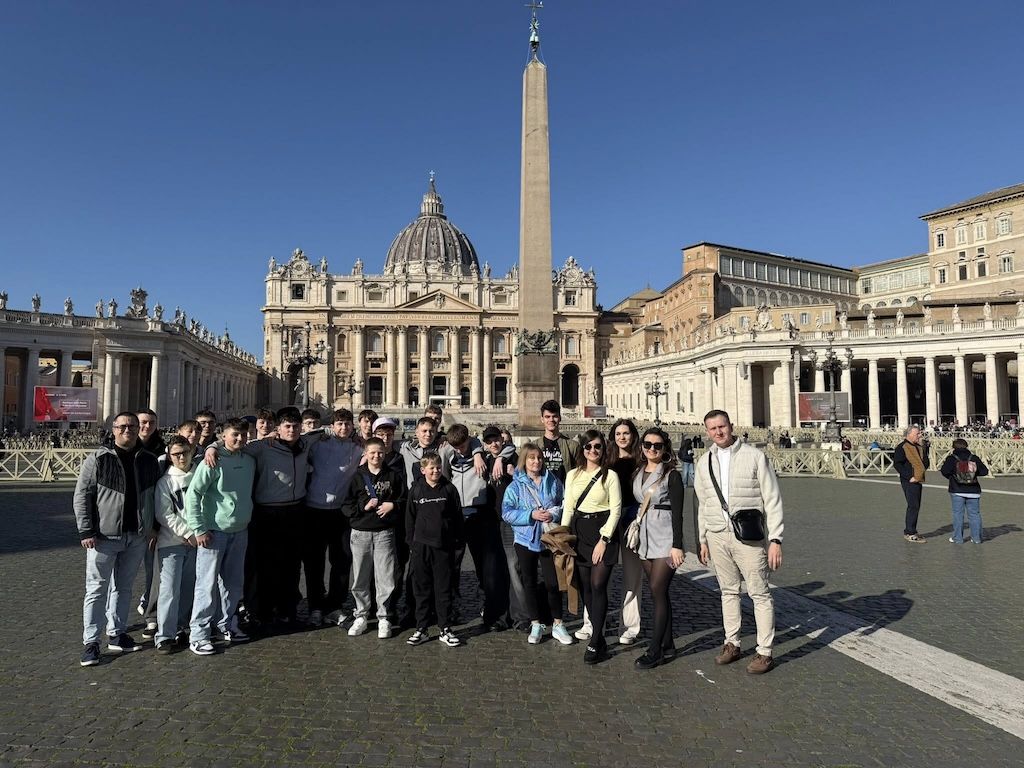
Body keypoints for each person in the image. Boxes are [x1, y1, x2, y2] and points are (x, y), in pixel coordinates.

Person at [695, 409, 783, 675]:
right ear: (707, 432)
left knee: (759, 593)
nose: (718, 432)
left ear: (731, 426)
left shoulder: (755, 456)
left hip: (748, 535)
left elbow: (773, 498)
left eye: (722, 426)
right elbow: (703, 504)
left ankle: (764, 651)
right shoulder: (704, 462)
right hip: (717, 534)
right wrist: (703, 538)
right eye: (712, 429)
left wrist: (776, 538)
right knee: (728, 592)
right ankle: (732, 642)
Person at [74, 412, 161, 666]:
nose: (128, 430)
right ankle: (91, 642)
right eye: (123, 426)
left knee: (124, 588)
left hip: (136, 535)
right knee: (96, 589)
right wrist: (86, 531)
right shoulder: (98, 458)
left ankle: (117, 632)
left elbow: (156, 496)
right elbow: (82, 495)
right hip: (103, 535)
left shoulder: (148, 460)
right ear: (113, 429)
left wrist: (154, 526)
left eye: (132, 426)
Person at [184, 418, 256, 655]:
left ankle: (226, 624)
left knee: (233, 584)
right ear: (223, 436)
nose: (239, 439)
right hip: (213, 532)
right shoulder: (211, 462)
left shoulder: (248, 460)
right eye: (234, 434)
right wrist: (199, 528)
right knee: (206, 585)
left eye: (243, 435)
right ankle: (199, 633)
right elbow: (193, 495)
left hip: (240, 530)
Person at [501, 443, 572, 645]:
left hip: (549, 539)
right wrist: (530, 515)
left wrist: (553, 513)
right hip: (525, 539)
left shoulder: (552, 480)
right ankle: (535, 623)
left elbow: (563, 502)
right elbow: (506, 512)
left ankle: (558, 623)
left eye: (539, 458)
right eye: (532, 458)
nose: (536, 461)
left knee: (553, 582)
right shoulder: (515, 485)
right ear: (524, 460)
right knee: (529, 582)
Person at [561, 429, 621, 664]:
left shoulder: (611, 476)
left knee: (598, 585)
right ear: (582, 449)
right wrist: (563, 534)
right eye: (589, 447)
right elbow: (568, 506)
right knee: (586, 586)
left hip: (602, 532)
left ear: (603, 449)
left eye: (597, 447)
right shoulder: (573, 475)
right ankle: (599, 637)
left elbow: (616, 510)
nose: (593, 451)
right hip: (579, 532)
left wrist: (604, 540)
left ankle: (596, 642)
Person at [631, 428, 686, 669]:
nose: (652, 448)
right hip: (644, 536)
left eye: (657, 445)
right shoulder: (638, 471)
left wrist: (678, 546)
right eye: (647, 444)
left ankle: (655, 650)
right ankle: (669, 645)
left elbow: (678, 514)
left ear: (665, 449)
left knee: (657, 587)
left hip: (665, 538)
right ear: (642, 446)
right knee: (658, 593)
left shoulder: (671, 475)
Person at [447, 423, 510, 631]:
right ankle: (450, 608)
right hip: (456, 517)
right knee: (452, 567)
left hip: (479, 515)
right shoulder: (448, 453)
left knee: (485, 566)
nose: (460, 450)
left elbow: (508, 448)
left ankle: (490, 607)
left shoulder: (482, 454)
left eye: (464, 445)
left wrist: (480, 452)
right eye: (456, 447)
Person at [303, 408, 362, 626]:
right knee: (314, 562)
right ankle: (316, 606)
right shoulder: (317, 443)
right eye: (340, 424)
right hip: (314, 509)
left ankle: (335, 605)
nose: (344, 427)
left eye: (347, 424)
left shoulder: (358, 448)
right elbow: (294, 440)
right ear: (332, 425)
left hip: (341, 513)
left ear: (352, 426)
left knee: (342, 561)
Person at [343, 437, 406, 638]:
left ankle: (384, 617)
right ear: (366, 454)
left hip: (384, 533)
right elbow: (346, 505)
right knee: (361, 577)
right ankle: (361, 614)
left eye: (380, 452)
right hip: (360, 532)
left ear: (385, 453)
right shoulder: (356, 477)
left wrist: (393, 505)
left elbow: (404, 499)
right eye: (372, 453)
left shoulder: (393, 476)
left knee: (385, 577)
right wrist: (363, 507)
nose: (376, 456)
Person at [406, 453, 464, 648]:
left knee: (443, 589)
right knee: (421, 589)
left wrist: (456, 544)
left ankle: (445, 628)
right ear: (423, 470)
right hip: (421, 546)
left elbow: (457, 518)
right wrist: (412, 544)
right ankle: (421, 628)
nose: (435, 471)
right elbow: (410, 519)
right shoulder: (415, 490)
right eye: (431, 468)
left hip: (443, 547)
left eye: (438, 467)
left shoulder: (449, 489)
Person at [153, 435, 198, 654]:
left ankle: (182, 627)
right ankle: (164, 635)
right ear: (170, 457)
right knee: (169, 589)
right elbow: (164, 514)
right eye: (177, 454)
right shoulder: (165, 482)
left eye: (185, 452)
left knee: (189, 587)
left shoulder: (200, 474)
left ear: (191, 452)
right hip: (171, 542)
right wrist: (187, 532)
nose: (181, 457)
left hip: (197, 541)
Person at [939, 439, 989, 544]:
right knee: (975, 514)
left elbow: (944, 471)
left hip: (957, 489)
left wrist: (953, 477)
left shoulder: (952, 458)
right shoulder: (974, 458)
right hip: (973, 490)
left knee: (958, 514)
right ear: (966, 446)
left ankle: (958, 538)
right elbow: (984, 471)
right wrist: (973, 474)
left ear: (954, 447)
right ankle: (976, 538)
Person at [892, 426, 931, 543]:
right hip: (910, 480)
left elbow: (925, 462)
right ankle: (910, 532)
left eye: (919, 434)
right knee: (913, 506)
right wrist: (910, 477)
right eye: (917, 434)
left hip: (918, 479)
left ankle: (911, 530)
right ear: (909, 434)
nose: (919, 436)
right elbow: (897, 464)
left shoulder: (919, 447)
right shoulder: (902, 447)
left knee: (916, 505)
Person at [539, 399, 580, 483]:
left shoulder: (573, 446)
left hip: (565, 493)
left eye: (554, 416)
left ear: (560, 418)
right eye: (547, 417)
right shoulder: (535, 446)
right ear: (542, 419)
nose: (551, 420)